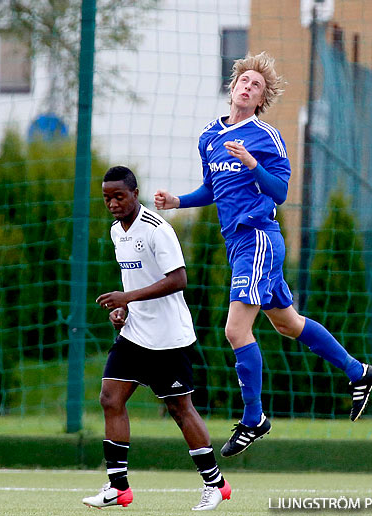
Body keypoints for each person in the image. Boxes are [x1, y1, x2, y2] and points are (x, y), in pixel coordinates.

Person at [154, 52, 372, 459]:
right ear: (233, 87)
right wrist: (177, 201)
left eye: (255, 85)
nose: (247, 86)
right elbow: (212, 189)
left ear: (261, 99)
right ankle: (357, 371)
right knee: (288, 324)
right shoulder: (209, 136)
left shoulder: (266, 137)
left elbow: (280, 192)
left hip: (258, 237)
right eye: (244, 80)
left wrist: (254, 165)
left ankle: (254, 417)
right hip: (239, 243)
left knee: (235, 331)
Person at [82, 166, 231, 511]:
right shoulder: (116, 232)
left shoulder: (157, 229)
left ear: (135, 193)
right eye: (107, 198)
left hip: (168, 338)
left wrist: (127, 299)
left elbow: (179, 279)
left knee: (180, 409)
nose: (113, 203)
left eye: (119, 196)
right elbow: (134, 283)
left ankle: (215, 484)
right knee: (110, 398)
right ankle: (118, 487)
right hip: (134, 334)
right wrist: (123, 310)